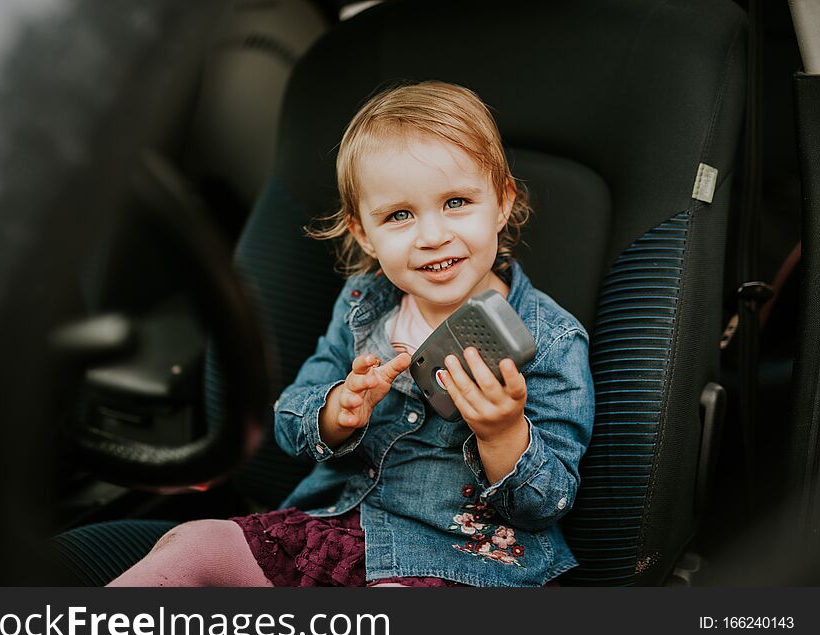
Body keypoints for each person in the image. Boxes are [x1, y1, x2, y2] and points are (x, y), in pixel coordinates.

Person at [109, 81, 594, 588]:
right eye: (399, 215)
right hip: (334, 529)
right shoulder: (364, 305)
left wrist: (503, 434)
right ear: (364, 232)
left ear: (501, 203)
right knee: (196, 544)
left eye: (456, 202)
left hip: (461, 562)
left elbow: (547, 504)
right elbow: (289, 420)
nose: (432, 236)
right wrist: (337, 410)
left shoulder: (551, 339)